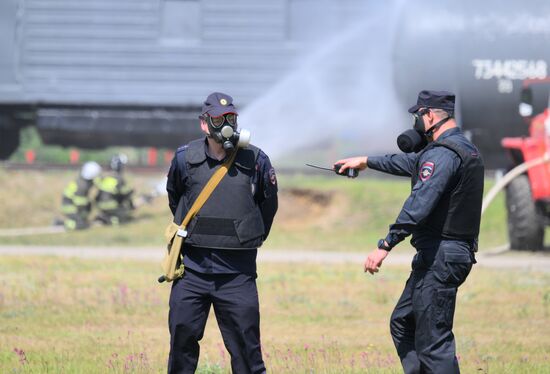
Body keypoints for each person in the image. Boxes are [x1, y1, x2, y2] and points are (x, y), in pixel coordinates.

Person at [335, 90, 484, 373]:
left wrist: (386, 244)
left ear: (428, 115)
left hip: (441, 256)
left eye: (417, 116)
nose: (416, 123)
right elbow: (410, 164)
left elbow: (419, 203)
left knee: (433, 343)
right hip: (443, 255)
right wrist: (366, 161)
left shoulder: (443, 154)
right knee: (403, 322)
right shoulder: (460, 149)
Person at [165, 92, 278, 374]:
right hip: (192, 271)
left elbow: (268, 204)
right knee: (181, 344)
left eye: (231, 118)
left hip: (237, 274)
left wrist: (249, 234)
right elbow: (176, 198)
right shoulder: (184, 158)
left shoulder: (256, 159)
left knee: (247, 352)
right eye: (218, 118)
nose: (226, 123)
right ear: (204, 124)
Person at [60, 161, 102, 230]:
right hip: (69, 207)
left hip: (72, 206)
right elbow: (79, 202)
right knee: (82, 225)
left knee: (84, 219)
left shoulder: (83, 182)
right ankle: (63, 224)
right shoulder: (82, 185)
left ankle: (75, 221)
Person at [95, 154, 135, 225]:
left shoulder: (105, 176)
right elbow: (126, 195)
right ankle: (109, 220)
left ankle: (103, 217)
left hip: (100, 206)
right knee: (126, 218)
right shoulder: (119, 178)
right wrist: (131, 206)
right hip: (111, 206)